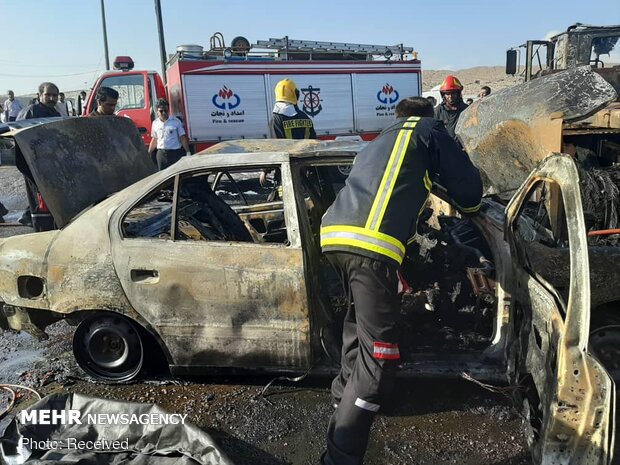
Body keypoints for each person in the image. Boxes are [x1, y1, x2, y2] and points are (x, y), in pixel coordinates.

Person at [319, 96, 482, 465]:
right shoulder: (428, 129)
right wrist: (472, 211)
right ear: (426, 117)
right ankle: (339, 456)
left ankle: (341, 397)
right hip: (369, 246)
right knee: (380, 358)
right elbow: (467, 187)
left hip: (334, 238)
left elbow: (390, 198)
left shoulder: (379, 142)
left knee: (356, 329)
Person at [16, 82, 61, 231]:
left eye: (54, 95)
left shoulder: (55, 114)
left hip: (50, 164)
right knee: (38, 201)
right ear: (39, 95)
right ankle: (38, 228)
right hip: (33, 164)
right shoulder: (30, 112)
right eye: (48, 94)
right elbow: (20, 140)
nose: (51, 98)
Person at [260, 79, 317, 191]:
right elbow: (314, 143)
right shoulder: (305, 117)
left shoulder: (276, 119)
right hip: (305, 172)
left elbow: (274, 146)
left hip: (286, 174)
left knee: (285, 203)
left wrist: (265, 170)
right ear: (295, 95)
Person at [148, 98, 191, 170]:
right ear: (157, 111)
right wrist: (148, 153)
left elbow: (182, 138)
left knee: (176, 175)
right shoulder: (155, 123)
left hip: (175, 154)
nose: (164, 113)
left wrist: (188, 152)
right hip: (161, 154)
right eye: (161, 111)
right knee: (162, 176)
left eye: (166, 110)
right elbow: (155, 139)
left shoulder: (176, 122)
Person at [434, 75, 468, 140]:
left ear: (458, 94)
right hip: (443, 147)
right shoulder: (438, 111)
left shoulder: (466, 110)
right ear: (443, 95)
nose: (450, 96)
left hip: (461, 148)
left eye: (453, 93)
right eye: (447, 93)